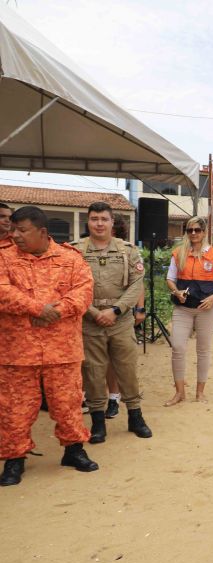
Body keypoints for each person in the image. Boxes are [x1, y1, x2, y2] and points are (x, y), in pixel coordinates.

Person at [0, 206, 98, 486]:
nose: (14, 234)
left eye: (22, 230)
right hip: (17, 351)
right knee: (14, 409)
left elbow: (83, 290)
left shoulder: (71, 258)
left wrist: (57, 310)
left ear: (42, 232)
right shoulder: (3, 257)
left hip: (62, 349)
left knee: (67, 403)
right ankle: (14, 460)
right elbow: (2, 291)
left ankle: (73, 451)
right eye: (13, 229)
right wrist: (36, 308)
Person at [76, 202, 152, 444]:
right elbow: (70, 286)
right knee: (93, 372)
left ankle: (135, 416)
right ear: (87, 222)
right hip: (90, 321)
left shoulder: (128, 251)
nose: (99, 223)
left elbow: (136, 283)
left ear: (111, 222)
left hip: (120, 320)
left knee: (127, 369)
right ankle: (98, 423)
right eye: (94, 218)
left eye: (104, 219)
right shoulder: (76, 251)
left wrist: (116, 310)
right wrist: (94, 313)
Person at [164, 217, 213, 406]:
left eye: (197, 230)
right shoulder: (178, 253)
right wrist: (176, 292)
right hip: (183, 308)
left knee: (203, 350)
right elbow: (170, 278)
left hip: (206, 309)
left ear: (204, 232)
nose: (193, 233)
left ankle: (200, 392)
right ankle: (179, 393)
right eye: (190, 230)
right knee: (177, 347)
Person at [104, 214, 146, 418]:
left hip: (122, 315)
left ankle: (115, 398)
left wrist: (140, 308)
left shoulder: (129, 252)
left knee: (120, 360)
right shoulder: (89, 250)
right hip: (97, 315)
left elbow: (139, 283)